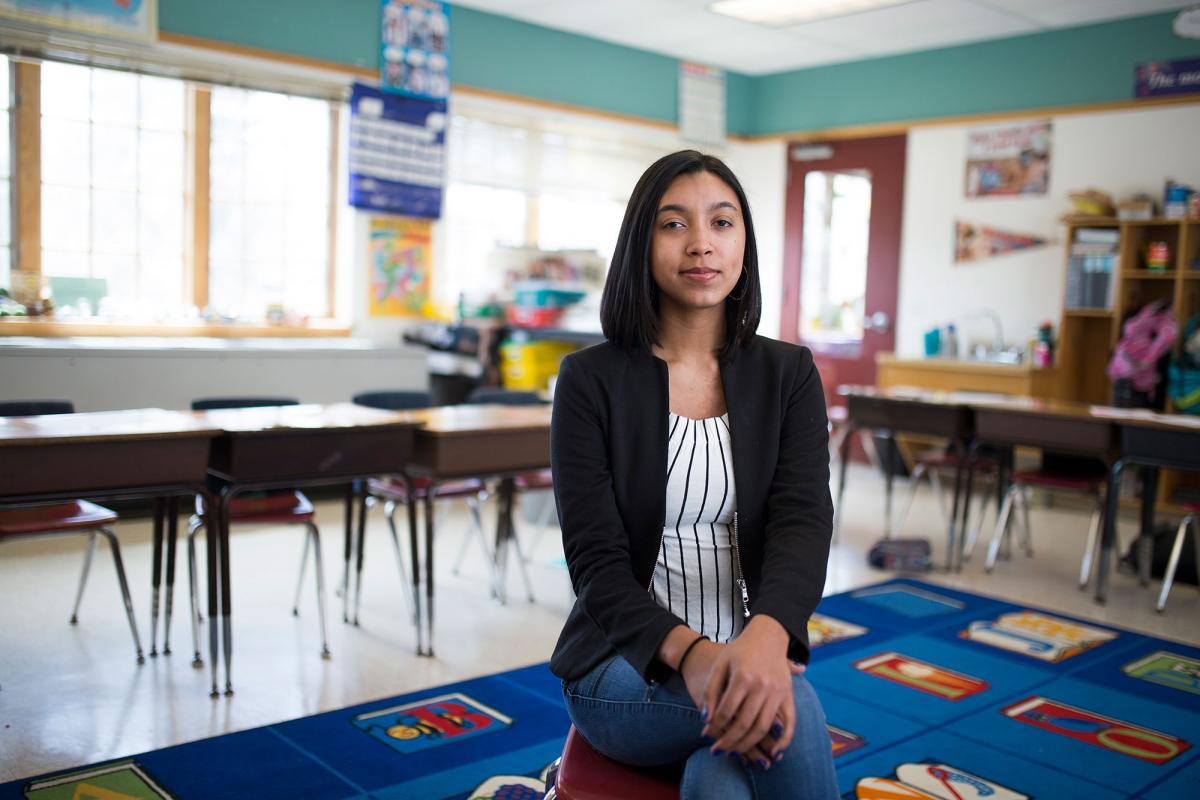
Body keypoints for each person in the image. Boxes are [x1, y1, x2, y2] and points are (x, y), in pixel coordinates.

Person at [550, 150, 837, 798]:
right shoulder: (590, 381)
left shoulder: (787, 374)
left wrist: (767, 638)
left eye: (723, 223)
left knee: (722, 781)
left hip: (750, 651)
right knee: (795, 708)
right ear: (641, 243)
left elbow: (803, 521)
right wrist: (695, 656)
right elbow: (596, 563)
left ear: (745, 242)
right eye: (674, 224)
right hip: (621, 667)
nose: (701, 244)